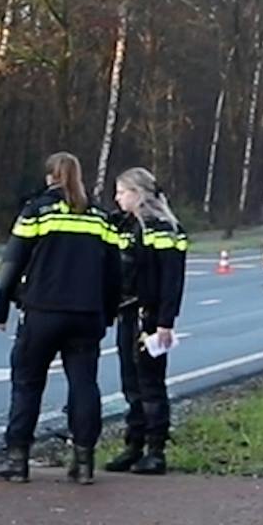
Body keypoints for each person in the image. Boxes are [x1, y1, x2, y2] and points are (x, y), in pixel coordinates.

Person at [0, 152, 123, 485]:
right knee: (84, 384)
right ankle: (84, 461)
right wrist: (106, 312)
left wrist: (0, 307)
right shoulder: (100, 217)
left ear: (51, 177)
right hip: (87, 315)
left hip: (43, 312)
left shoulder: (36, 212)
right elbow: (115, 272)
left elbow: (12, 262)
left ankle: (17, 460)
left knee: (27, 384)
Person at [104, 167, 188, 476]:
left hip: (150, 316)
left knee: (150, 383)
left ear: (138, 194)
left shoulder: (163, 228)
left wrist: (165, 321)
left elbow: (171, 280)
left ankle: (156, 450)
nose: (117, 197)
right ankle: (133, 445)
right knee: (130, 383)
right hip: (127, 313)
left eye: (122, 191)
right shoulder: (124, 225)